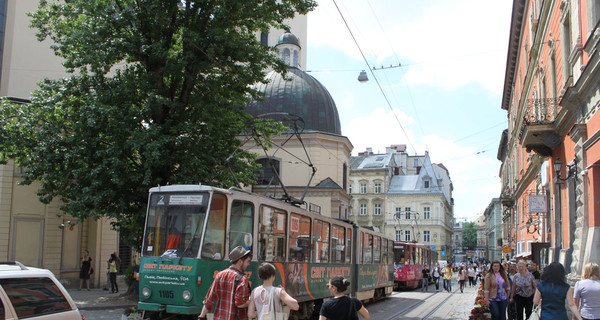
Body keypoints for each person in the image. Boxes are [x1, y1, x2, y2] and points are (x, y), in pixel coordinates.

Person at [198, 246, 252, 320]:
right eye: (247, 261)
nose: (248, 264)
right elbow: (240, 303)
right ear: (240, 262)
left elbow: (209, 300)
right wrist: (252, 302)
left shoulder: (220, 275)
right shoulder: (242, 279)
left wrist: (201, 316)